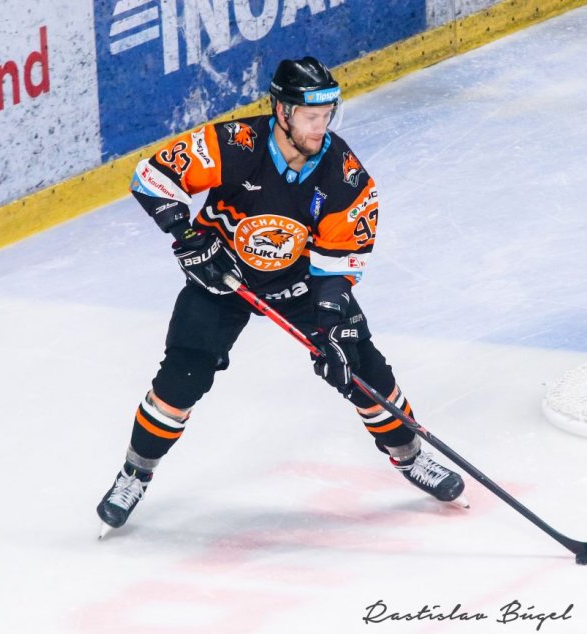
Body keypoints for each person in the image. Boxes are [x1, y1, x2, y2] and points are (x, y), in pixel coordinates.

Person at [96, 56, 466, 536]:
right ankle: (135, 472)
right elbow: (151, 177)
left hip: (302, 285)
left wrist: (330, 325)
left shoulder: (344, 175)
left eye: (327, 114)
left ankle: (410, 456)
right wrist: (187, 237)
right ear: (282, 111)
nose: (321, 126)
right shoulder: (235, 143)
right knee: (182, 378)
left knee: (361, 369)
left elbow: (339, 263)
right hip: (222, 278)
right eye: (311, 116)